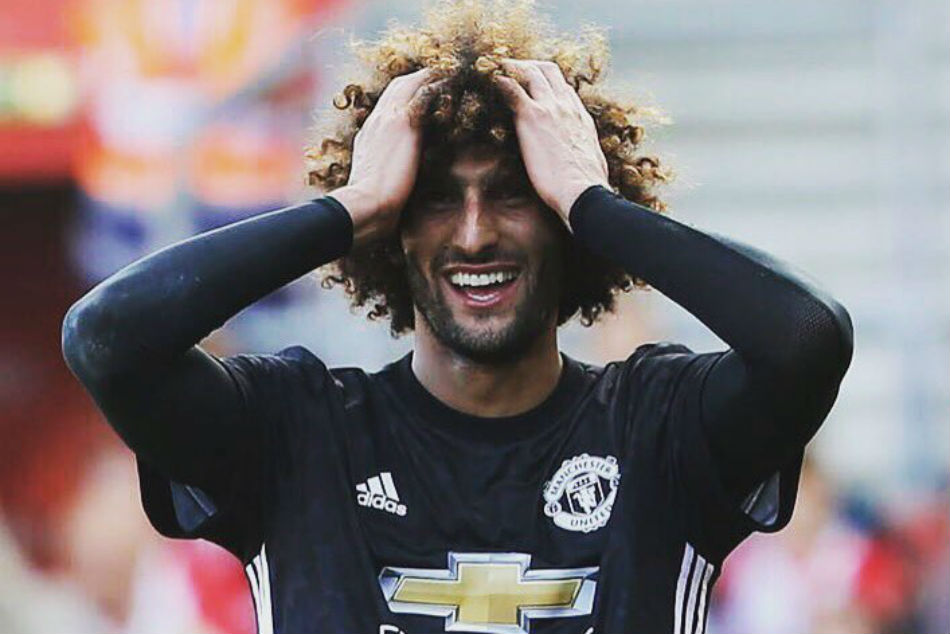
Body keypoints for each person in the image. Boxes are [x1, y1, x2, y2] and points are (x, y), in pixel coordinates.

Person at [61, 2, 854, 632]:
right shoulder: (293, 430)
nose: (474, 233)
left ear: (561, 222)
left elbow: (807, 339)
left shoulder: (664, 425)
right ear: (394, 231)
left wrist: (594, 205)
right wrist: (349, 207)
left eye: (512, 193)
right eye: (438, 198)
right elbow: (105, 339)